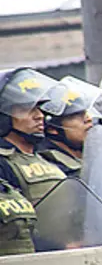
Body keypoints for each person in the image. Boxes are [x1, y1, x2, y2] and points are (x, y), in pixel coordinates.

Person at [0, 68, 68, 204]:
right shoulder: (3, 164)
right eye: (27, 109)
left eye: (39, 108)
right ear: (4, 117)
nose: (40, 116)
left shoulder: (49, 159)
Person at [37, 77, 102, 177]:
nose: (88, 119)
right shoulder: (47, 162)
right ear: (52, 128)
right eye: (77, 115)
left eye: (86, 113)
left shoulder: (91, 152)